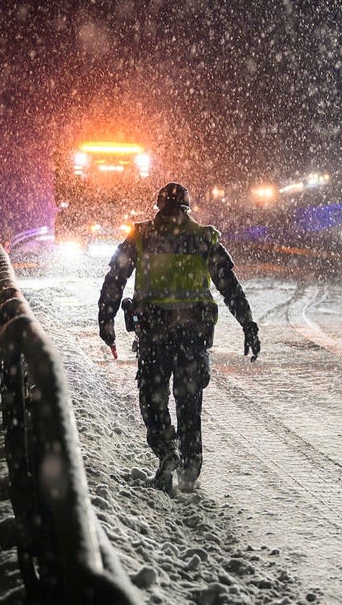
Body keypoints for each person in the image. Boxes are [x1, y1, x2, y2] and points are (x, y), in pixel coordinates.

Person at [97, 182, 260, 494]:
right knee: (189, 402)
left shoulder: (141, 236)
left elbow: (115, 278)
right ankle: (189, 466)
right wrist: (248, 323)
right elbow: (229, 286)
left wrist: (106, 319)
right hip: (192, 336)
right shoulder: (203, 238)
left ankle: (165, 450)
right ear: (187, 208)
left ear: (159, 208)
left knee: (152, 398)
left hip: (153, 335)